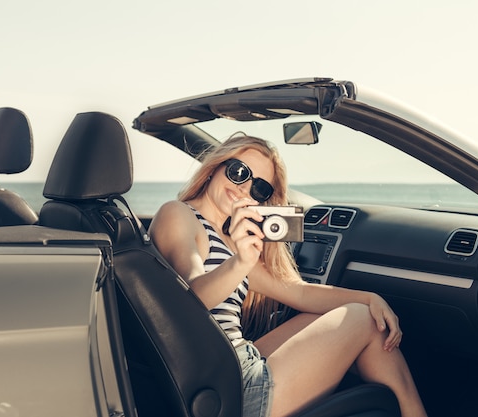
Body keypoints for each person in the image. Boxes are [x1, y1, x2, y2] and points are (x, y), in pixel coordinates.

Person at [150, 133, 428, 417]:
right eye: (238, 172)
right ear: (215, 167)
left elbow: (299, 292)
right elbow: (192, 300)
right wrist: (242, 262)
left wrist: (371, 297)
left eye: (259, 188)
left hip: (229, 368)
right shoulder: (178, 214)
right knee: (363, 319)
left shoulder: (231, 239)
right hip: (230, 388)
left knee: (350, 316)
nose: (244, 187)